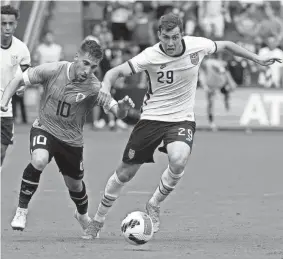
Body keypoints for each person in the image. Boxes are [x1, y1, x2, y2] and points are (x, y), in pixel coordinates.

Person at [86, 13, 282, 239]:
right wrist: (106, 86)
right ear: (159, 35)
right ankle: (98, 220)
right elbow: (116, 72)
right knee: (125, 173)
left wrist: (255, 58)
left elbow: (226, 44)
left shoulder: (197, 46)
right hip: (152, 117)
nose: (171, 43)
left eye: (175, 37)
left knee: (178, 159)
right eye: (166, 37)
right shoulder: (150, 55)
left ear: (182, 34)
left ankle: (154, 203)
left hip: (181, 118)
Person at [0, 40, 134, 233]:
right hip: (44, 128)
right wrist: (4, 101)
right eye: (86, 63)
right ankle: (21, 210)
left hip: (71, 140)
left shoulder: (95, 87)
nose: (88, 70)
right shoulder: (54, 70)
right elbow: (18, 79)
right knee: (39, 160)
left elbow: (117, 112)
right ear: (76, 57)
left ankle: (82, 215)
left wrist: (122, 109)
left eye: (94, 66)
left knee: (75, 185)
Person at [1, 5, 31, 167]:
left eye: (10, 23)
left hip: (5, 107)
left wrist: (23, 86)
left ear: (15, 24)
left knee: (2, 149)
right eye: (3, 23)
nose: (7, 27)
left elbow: (26, 75)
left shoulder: (21, 49)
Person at [199, 54, 237, 131]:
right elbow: (203, 83)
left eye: (201, 61)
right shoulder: (201, 70)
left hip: (221, 82)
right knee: (210, 103)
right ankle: (211, 123)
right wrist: (208, 90)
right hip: (212, 86)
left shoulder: (211, 63)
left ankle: (226, 101)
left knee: (228, 90)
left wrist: (230, 81)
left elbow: (223, 70)